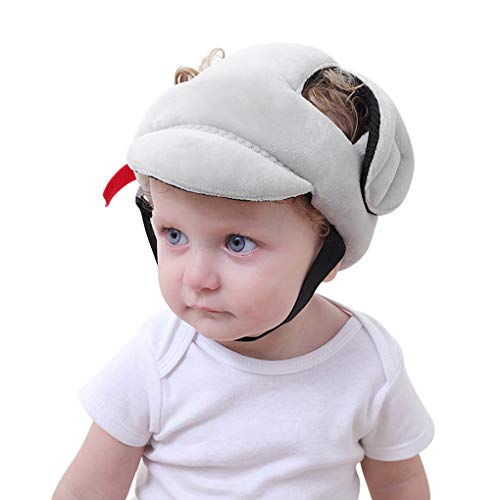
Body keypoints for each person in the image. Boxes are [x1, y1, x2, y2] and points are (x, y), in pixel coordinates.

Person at [52, 43, 434, 500]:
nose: (196, 278)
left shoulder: (368, 364)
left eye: (238, 243)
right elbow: (86, 491)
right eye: (174, 235)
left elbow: (399, 482)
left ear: (328, 253)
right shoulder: (158, 360)